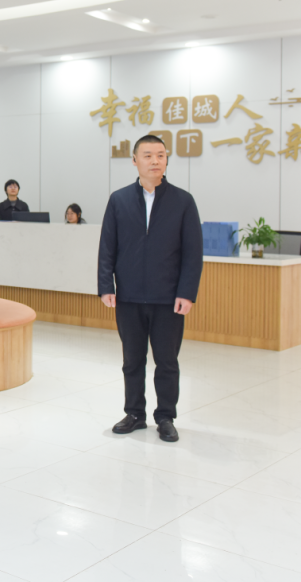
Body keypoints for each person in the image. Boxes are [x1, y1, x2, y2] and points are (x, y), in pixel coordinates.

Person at [98, 134, 202, 444]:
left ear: (166, 160)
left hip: (168, 298)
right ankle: (134, 413)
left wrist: (187, 292)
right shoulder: (119, 200)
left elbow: (193, 253)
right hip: (128, 296)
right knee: (132, 360)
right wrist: (106, 285)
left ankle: (165, 417)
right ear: (135, 161)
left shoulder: (183, 201)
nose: (155, 161)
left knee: (167, 362)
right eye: (148, 155)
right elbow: (107, 247)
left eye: (161, 155)